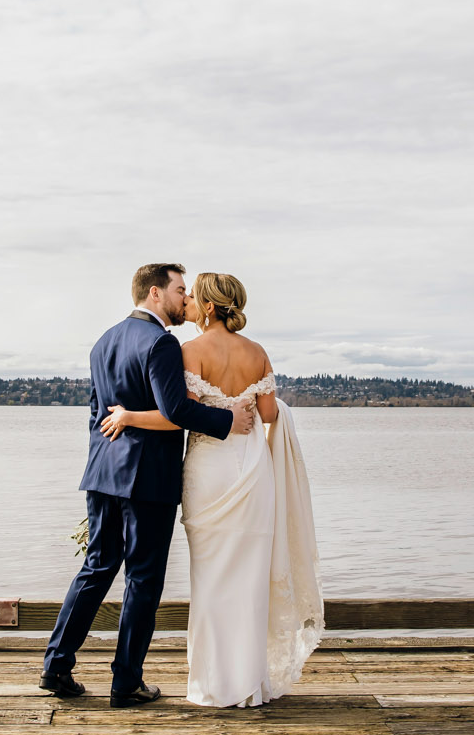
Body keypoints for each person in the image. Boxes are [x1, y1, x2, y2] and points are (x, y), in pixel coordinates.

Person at [99, 271, 324, 707]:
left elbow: (176, 414)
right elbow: (271, 413)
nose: (186, 303)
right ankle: (250, 684)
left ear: (206, 306)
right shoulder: (257, 352)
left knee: (211, 580)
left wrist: (127, 416)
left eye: (192, 297)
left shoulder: (190, 351)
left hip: (208, 471)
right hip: (252, 469)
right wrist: (242, 408)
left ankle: (214, 684)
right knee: (250, 579)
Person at [41, 264, 255, 708]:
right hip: (148, 479)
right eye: (180, 290)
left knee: (97, 567)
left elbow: (96, 413)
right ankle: (126, 682)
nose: (184, 299)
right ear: (155, 293)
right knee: (142, 578)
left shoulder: (104, 340)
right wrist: (228, 420)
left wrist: (102, 463)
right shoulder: (161, 342)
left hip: (103, 471)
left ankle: (56, 664)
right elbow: (176, 409)